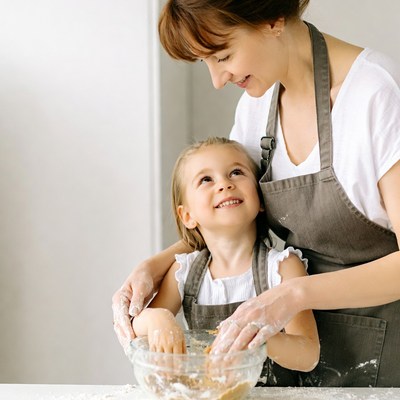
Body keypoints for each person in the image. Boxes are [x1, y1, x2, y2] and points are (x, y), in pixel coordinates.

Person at [112, 0, 400, 387]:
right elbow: (229, 217)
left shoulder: (376, 94)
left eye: (224, 55)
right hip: (305, 365)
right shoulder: (257, 108)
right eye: (207, 63)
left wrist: (293, 295)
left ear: (272, 18)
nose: (217, 79)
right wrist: (157, 265)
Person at [130, 137, 320, 383]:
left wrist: (257, 336)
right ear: (187, 215)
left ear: (260, 199)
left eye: (236, 172)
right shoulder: (184, 272)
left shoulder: (283, 267)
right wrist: (158, 319)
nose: (224, 184)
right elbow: (136, 327)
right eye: (206, 179)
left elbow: (308, 355)